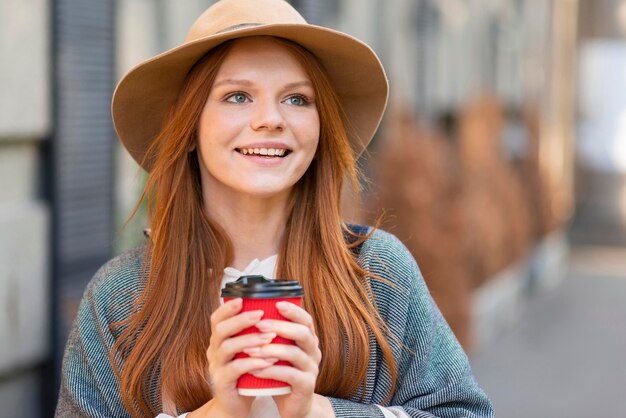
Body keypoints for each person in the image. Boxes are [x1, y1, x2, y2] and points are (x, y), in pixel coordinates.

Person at [55, 0, 494, 417]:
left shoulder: (377, 273)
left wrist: (318, 410)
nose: (271, 118)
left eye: (297, 99)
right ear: (185, 125)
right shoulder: (121, 299)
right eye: (237, 96)